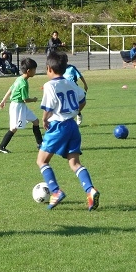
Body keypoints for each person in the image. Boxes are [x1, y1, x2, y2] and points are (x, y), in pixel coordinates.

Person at [36, 51, 99, 211]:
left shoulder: (50, 85)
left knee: (42, 161)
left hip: (58, 126)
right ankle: (90, 190)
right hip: (72, 126)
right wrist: (75, 112)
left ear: (49, 68)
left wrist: (44, 120)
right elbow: (82, 99)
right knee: (74, 163)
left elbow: (48, 108)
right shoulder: (71, 83)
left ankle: (55, 191)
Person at [0, 57, 43, 153]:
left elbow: (10, 89)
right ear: (29, 71)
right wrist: (33, 99)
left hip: (21, 106)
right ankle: (1, 147)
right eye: (34, 69)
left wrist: (3, 100)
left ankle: (40, 144)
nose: (35, 71)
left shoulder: (19, 79)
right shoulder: (23, 83)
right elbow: (25, 99)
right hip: (17, 106)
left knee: (36, 121)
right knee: (14, 128)